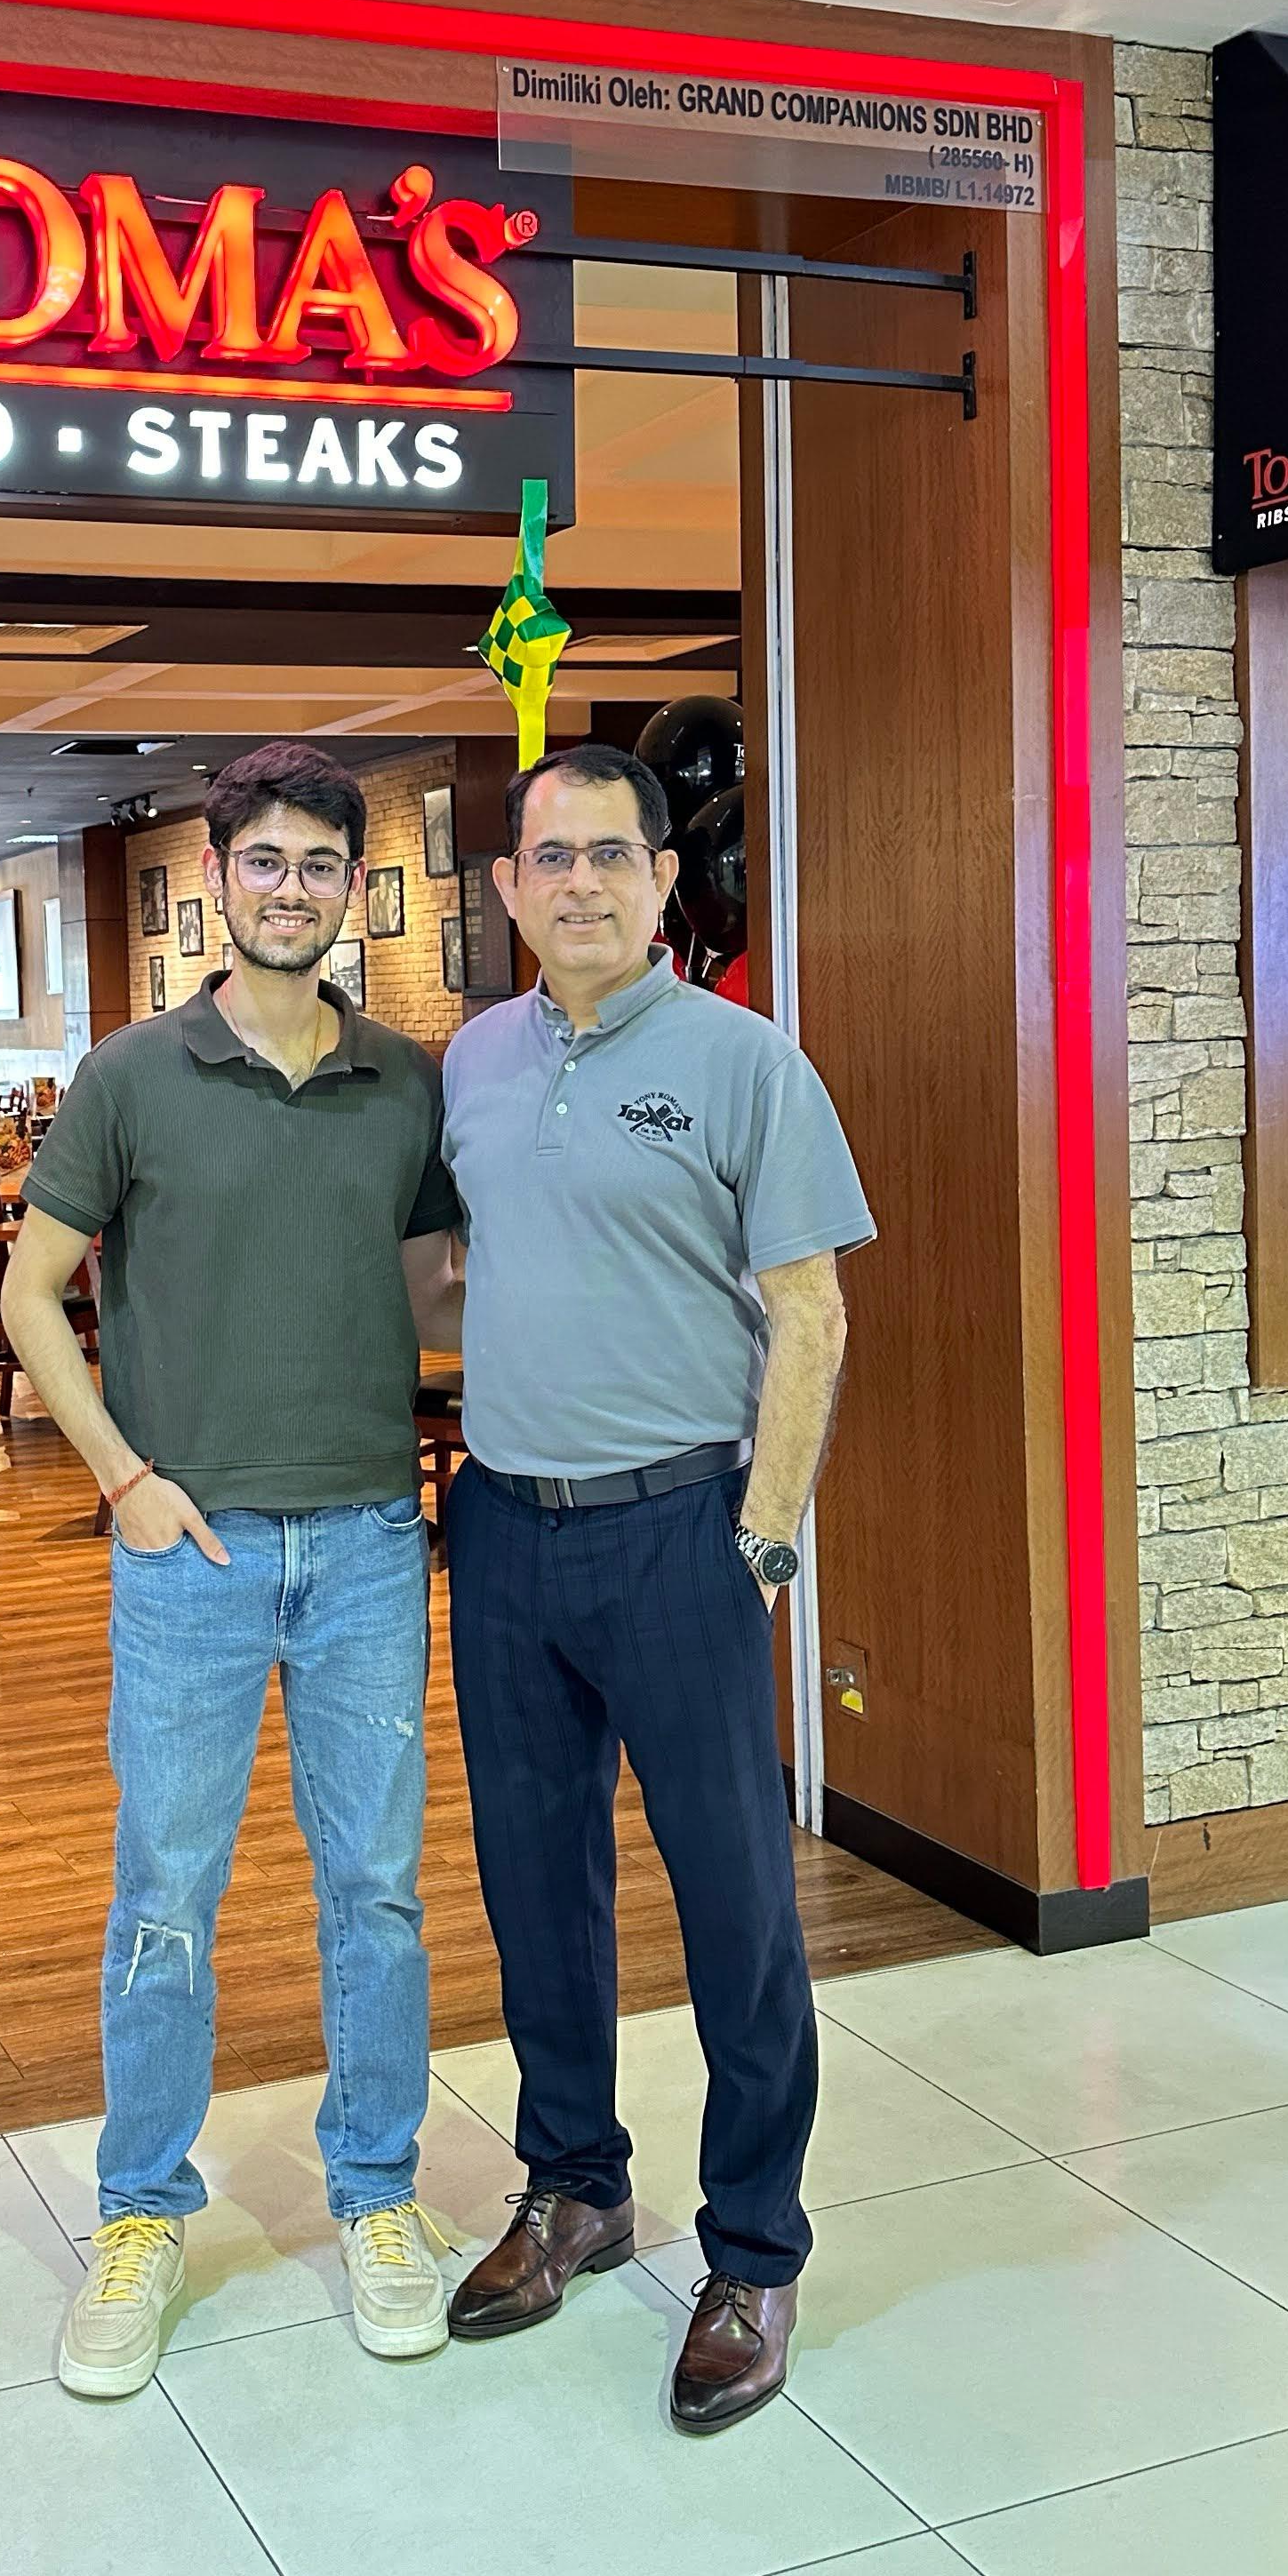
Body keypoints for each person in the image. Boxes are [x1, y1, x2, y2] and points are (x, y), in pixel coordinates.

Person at [413, 742, 872, 2436]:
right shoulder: (472, 1059)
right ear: (508, 886)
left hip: (678, 1529)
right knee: (533, 1886)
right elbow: (448, 1266)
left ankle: (750, 2248)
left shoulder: (745, 1061)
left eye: (613, 854)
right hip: (501, 1531)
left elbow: (810, 1310)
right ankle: (575, 2187)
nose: (581, 884)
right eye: (551, 858)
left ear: (664, 879)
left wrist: (761, 1538)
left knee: (733, 1905)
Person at [2, 741, 462, 2399]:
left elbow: (434, 1287)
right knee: (165, 1889)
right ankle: (140, 2212)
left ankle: (378, 2190)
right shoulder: (133, 1075)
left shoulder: (404, 1082)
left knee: (377, 1889)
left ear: (351, 888)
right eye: (263, 861)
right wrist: (120, 1478)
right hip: (188, 1555)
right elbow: (30, 1291)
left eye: (318, 865)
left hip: (367, 1543)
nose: (291, 890)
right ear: (218, 880)